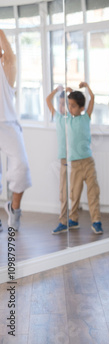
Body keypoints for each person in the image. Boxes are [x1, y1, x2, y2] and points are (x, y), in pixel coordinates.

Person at [50, 82, 103, 235]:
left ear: (81, 108)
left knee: (93, 192)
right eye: (69, 105)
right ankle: (73, 220)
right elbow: (56, 105)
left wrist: (87, 86)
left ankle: (96, 221)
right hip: (74, 164)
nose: (69, 108)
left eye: (73, 106)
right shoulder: (67, 121)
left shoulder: (85, 117)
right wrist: (67, 92)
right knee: (74, 194)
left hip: (88, 162)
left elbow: (92, 98)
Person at [0, 29, 32, 232]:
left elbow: (11, 57)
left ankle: (14, 208)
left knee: (21, 168)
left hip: (7, 123)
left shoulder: (6, 70)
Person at [46, 86, 80, 234]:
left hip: (76, 159)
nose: (61, 107)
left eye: (64, 104)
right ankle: (62, 221)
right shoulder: (58, 118)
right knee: (63, 192)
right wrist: (56, 90)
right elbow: (48, 100)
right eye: (59, 104)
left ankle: (73, 219)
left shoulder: (74, 119)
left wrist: (71, 94)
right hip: (63, 160)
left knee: (74, 191)